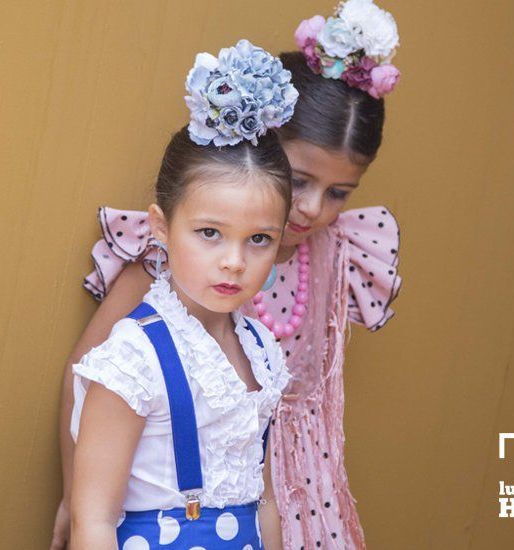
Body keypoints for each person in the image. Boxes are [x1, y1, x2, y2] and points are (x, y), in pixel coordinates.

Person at [55, 2, 404, 548]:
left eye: (259, 239)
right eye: (300, 180)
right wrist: (82, 499)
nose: (235, 261)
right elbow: (90, 386)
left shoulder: (264, 337)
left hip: (294, 492)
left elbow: (265, 485)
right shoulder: (146, 331)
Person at [69, 40, 297, 549]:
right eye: (210, 233)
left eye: (259, 239)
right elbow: (95, 521)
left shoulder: (262, 351)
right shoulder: (133, 358)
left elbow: (265, 502)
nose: (234, 261)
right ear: (161, 227)